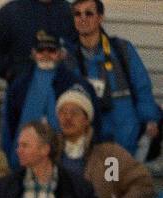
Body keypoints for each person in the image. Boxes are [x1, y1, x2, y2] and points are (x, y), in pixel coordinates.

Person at [65, 0, 160, 152]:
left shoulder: (122, 50)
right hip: (87, 144)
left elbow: (142, 87)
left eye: (89, 13)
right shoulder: (69, 58)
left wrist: (149, 119)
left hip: (126, 139)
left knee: (119, 175)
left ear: (100, 18)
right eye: (77, 14)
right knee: (96, 176)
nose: (83, 18)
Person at [0, 30, 94, 165]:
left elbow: (90, 123)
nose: (46, 54)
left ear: (61, 54)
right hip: (23, 160)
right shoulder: (18, 85)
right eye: (40, 50)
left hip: (65, 161)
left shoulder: (77, 84)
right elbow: (8, 127)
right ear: (33, 53)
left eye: (51, 50)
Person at [0, 0, 76, 83]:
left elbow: (81, 51)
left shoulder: (72, 12)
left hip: (64, 92)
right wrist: (10, 73)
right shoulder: (11, 11)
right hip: (21, 93)